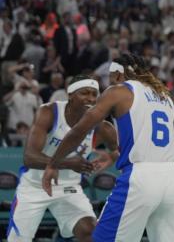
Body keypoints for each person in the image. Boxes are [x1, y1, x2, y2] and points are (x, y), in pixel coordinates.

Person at [42, 53, 174, 242]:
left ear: (117, 74)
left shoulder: (119, 91)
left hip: (141, 177)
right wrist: (114, 154)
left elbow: (80, 130)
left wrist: (53, 163)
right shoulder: (164, 96)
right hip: (171, 177)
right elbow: (144, 136)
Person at [7, 75, 118, 242]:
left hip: (69, 188)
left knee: (90, 232)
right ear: (70, 94)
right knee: (18, 240)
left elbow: (119, 150)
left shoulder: (101, 126)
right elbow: (29, 158)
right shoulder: (49, 112)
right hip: (34, 187)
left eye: (94, 94)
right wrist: (67, 164)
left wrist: (112, 157)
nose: (90, 98)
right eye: (85, 93)